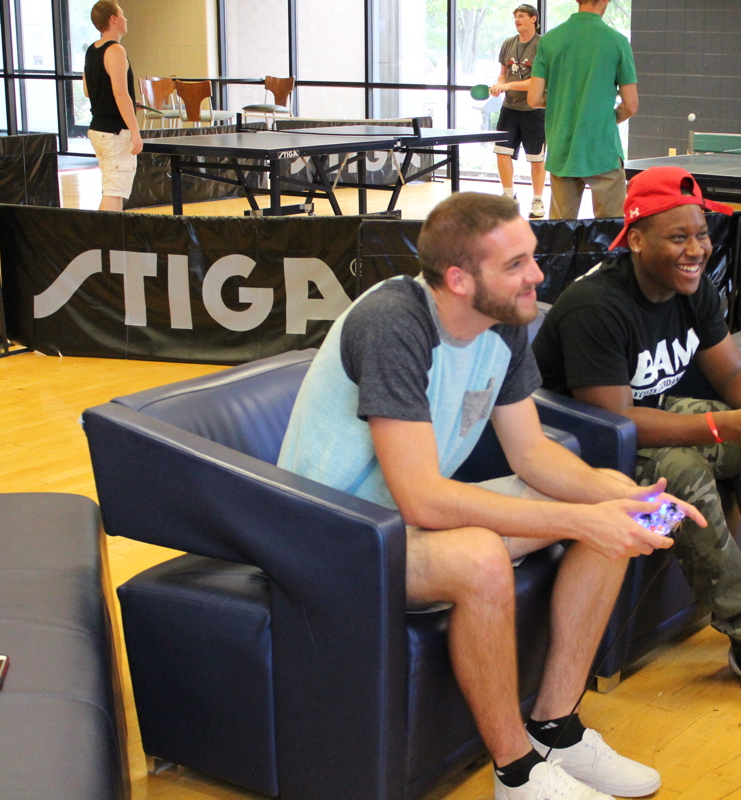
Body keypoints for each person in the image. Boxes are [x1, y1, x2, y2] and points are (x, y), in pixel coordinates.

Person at [278, 192, 704, 800]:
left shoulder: (505, 322)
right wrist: (582, 519)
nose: (537, 275)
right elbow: (423, 499)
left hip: (404, 522)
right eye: (516, 265)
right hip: (333, 535)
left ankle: (555, 726)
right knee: (486, 554)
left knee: (609, 503)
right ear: (458, 279)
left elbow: (531, 453)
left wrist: (625, 498)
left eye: (531, 258)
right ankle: (517, 773)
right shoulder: (395, 324)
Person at [532, 166, 741, 715]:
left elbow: (735, 373)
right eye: (679, 237)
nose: (697, 248)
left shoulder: (693, 287)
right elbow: (616, 422)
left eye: (702, 233)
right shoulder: (596, 305)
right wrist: (725, 426)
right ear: (637, 238)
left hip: (650, 416)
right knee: (685, 474)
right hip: (588, 444)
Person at [527, 0, 638, 221]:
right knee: (610, 233)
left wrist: (565, 103)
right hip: (602, 149)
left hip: (562, 148)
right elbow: (631, 105)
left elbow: (533, 99)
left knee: (560, 234)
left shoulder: (549, 40)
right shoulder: (617, 41)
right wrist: (606, 118)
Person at [83, 1, 142, 212]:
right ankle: (105, 241)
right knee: (114, 193)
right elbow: (120, 93)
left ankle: (108, 241)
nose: (126, 19)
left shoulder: (92, 50)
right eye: (122, 14)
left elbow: (89, 90)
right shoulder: (116, 50)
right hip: (114, 133)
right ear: (113, 19)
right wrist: (135, 132)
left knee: (112, 189)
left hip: (99, 130)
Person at [491, 4, 547, 219]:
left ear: (534, 19)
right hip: (509, 108)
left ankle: (538, 199)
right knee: (502, 152)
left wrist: (508, 86)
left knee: (536, 157)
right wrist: (499, 85)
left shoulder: (543, 45)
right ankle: (507, 196)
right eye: (515, 16)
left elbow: (539, 80)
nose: (517, 19)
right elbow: (502, 74)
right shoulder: (507, 44)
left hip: (534, 108)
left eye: (522, 16)